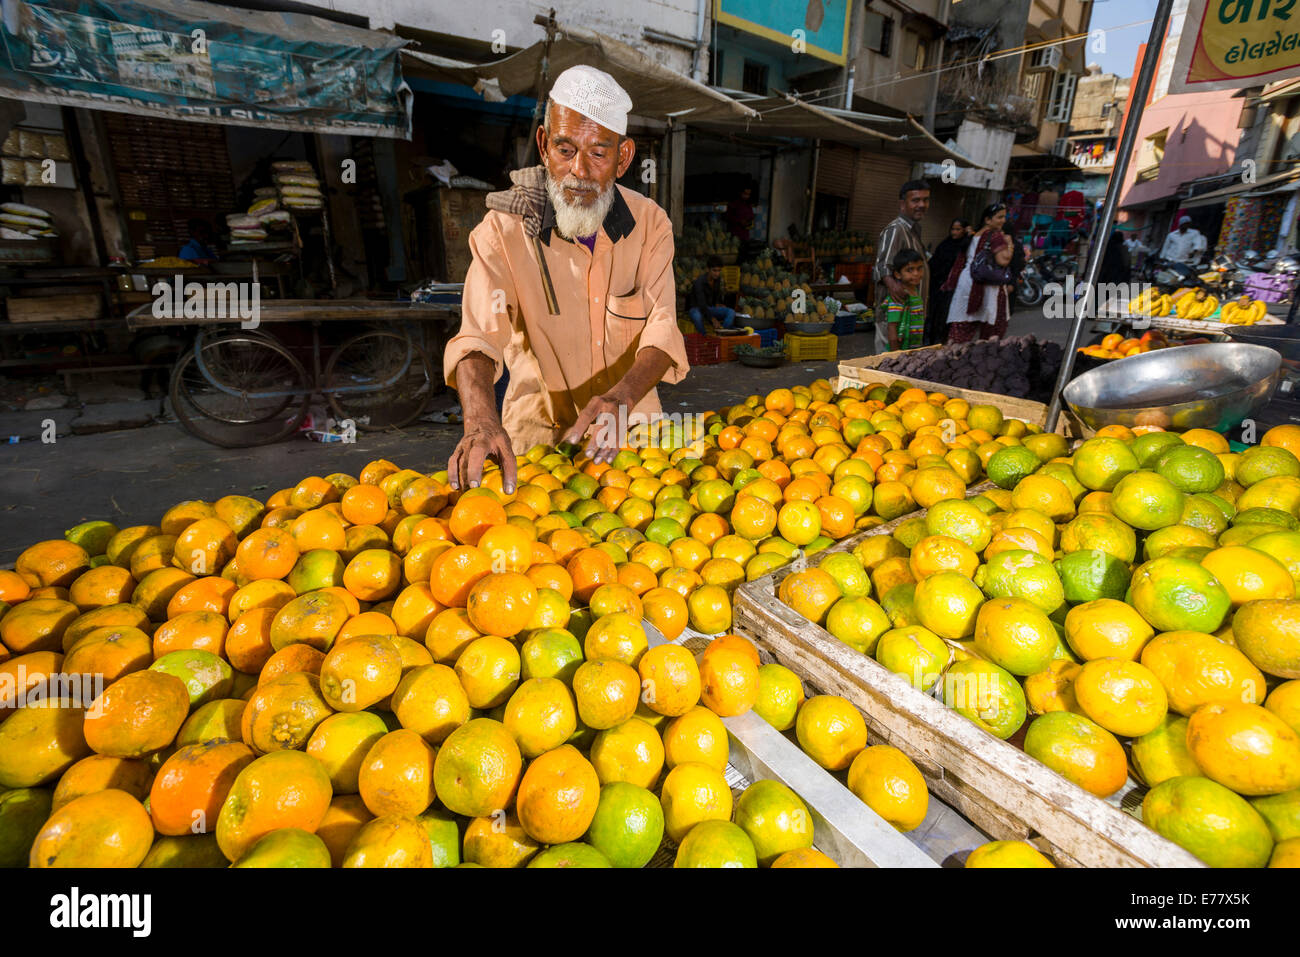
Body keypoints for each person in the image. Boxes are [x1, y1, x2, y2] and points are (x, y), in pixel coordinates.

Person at [443, 65, 689, 491]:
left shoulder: (651, 225)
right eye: (564, 149)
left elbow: (662, 331)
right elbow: (478, 337)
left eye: (598, 153)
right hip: (539, 452)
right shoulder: (502, 231)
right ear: (543, 144)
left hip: (635, 443)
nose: (579, 170)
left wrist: (623, 396)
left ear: (623, 158)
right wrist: (481, 418)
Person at [871, 179, 930, 352]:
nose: (922, 204)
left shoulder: (914, 229)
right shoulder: (895, 229)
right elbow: (881, 266)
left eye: (925, 200)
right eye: (916, 200)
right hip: (895, 319)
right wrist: (893, 286)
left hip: (911, 318)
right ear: (903, 204)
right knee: (888, 367)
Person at [946, 203, 1013, 342]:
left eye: (1004, 217)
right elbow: (1003, 260)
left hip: (967, 282)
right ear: (988, 220)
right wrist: (1009, 244)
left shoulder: (973, 235)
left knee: (961, 328)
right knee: (992, 331)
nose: (1003, 220)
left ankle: (952, 356)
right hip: (988, 285)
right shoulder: (996, 236)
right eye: (999, 217)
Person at [926, 217, 968, 346]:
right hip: (937, 286)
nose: (954, 232)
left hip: (952, 289)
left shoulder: (965, 246)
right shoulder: (945, 244)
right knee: (932, 315)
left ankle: (940, 342)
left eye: (958, 229)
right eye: (953, 229)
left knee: (944, 317)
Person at [880, 248, 926, 353]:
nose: (916, 273)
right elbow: (892, 327)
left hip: (913, 348)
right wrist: (895, 356)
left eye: (919, 268)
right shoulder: (899, 296)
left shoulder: (915, 291)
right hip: (901, 350)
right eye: (910, 270)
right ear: (897, 274)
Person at [688, 255, 735, 333]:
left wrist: (717, 304)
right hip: (697, 308)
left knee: (731, 312)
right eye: (714, 270)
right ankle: (704, 338)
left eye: (719, 271)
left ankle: (723, 333)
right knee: (697, 316)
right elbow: (701, 305)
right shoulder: (699, 282)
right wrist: (713, 319)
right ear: (708, 269)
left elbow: (715, 297)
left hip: (709, 308)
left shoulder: (717, 280)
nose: (717, 273)